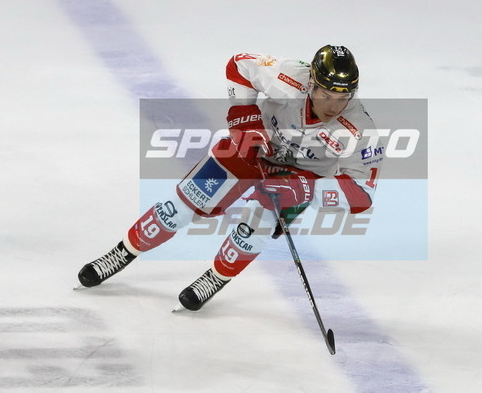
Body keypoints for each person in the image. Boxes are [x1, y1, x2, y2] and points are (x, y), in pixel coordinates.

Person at [77, 45, 383, 311]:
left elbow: (361, 195)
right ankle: (122, 252)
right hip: (252, 148)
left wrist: (306, 190)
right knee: (181, 207)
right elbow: (239, 65)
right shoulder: (288, 75)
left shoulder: (360, 130)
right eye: (326, 94)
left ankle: (215, 278)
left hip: (298, 177)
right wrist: (244, 117)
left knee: (253, 227)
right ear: (311, 83)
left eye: (343, 97)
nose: (333, 106)